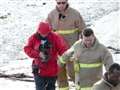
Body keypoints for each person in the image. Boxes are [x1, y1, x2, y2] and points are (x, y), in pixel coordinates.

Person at [47, 0, 86, 89]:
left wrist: (82, 47)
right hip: (57, 51)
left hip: (72, 51)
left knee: (74, 73)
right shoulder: (51, 15)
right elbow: (46, 31)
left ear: (67, 1)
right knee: (60, 76)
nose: (61, 5)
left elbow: (83, 31)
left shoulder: (75, 14)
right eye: (59, 3)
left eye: (63, 2)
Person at [24, 22, 68, 90]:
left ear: (49, 31)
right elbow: (27, 49)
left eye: (46, 33)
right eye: (42, 33)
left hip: (52, 70)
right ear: (38, 31)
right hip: (38, 69)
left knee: (51, 88)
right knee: (39, 88)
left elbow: (63, 49)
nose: (44, 35)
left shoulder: (55, 37)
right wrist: (38, 54)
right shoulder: (33, 38)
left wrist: (67, 56)